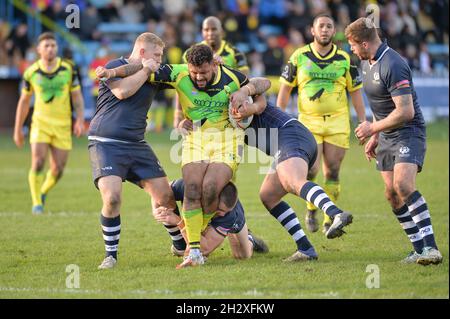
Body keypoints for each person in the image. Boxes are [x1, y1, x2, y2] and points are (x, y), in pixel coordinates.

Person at [99, 44, 271, 268]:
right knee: (192, 188)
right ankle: (196, 252)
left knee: (210, 187)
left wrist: (246, 96)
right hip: (196, 139)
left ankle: (213, 231)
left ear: (213, 65)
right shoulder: (177, 72)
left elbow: (263, 86)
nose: (199, 77)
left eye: (204, 72)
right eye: (194, 72)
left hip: (227, 140)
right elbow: (137, 69)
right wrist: (111, 72)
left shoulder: (230, 76)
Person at [345, 17, 443, 265]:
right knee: (391, 193)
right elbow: (381, 106)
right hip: (386, 134)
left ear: (365, 43)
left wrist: (371, 128)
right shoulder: (367, 63)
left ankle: (431, 248)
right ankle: (419, 249)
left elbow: (405, 111)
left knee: (403, 185)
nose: (352, 50)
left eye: (353, 46)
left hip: (408, 131)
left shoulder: (393, 63)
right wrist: (376, 136)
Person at [88, 32, 178, 269]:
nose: (160, 60)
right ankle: (111, 255)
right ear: (142, 52)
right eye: (156, 55)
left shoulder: (156, 71)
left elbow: (188, 74)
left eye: (161, 56)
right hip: (105, 141)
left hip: (136, 143)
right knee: (113, 197)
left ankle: (179, 245)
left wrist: (213, 63)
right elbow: (122, 92)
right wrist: (146, 70)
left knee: (165, 197)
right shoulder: (114, 66)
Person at [277, 14, 366, 234]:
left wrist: (363, 121)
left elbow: (355, 93)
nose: (325, 30)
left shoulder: (345, 59)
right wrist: (279, 118)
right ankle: (311, 209)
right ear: (312, 30)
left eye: (329, 26)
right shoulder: (299, 56)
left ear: (333, 31)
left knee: (333, 171)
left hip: (337, 122)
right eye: (321, 26)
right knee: (311, 171)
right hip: (308, 122)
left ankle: (330, 219)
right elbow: (285, 90)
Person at [13, 32, 85, 214]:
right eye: (46, 46)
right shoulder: (31, 73)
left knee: (58, 169)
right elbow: (24, 102)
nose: (50, 48)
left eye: (53, 45)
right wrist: (17, 130)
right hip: (40, 123)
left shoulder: (69, 69)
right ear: (38, 50)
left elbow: (77, 96)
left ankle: (43, 191)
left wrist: (79, 120)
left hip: (62, 125)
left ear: (57, 48)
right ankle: (36, 203)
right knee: (37, 162)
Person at [153, 179, 269, 265]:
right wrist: (156, 211)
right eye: (220, 210)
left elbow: (205, 247)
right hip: (205, 211)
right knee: (164, 199)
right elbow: (158, 189)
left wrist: (179, 221)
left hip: (231, 219)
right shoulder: (188, 187)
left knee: (242, 255)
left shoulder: (228, 215)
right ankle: (179, 245)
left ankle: (250, 239)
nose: (222, 213)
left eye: (224, 211)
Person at [173, 16, 250, 129]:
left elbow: (245, 80)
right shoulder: (190, 54)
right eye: (206, 30)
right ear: (201, 32)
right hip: (197, 103)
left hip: (224, 105)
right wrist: (178, 114)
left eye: (214, 29)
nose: (210, 33)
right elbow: (181, 83)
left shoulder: (234, 53)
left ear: (222, 31)